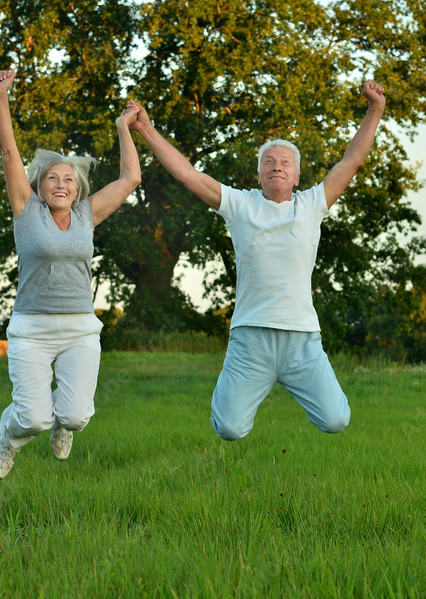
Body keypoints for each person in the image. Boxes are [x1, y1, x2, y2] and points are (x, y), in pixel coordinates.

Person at [127, 81, 386, 441]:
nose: (276, 166)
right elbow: (186, 174)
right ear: (259, 174)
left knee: (335, 420)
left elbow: (352, 160)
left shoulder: (311, 205)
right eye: (268, 162)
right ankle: (234, 389)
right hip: (251, 339)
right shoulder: (240, 204)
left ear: (296, 175)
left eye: (285, 163)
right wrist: (145, 128)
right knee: (230, 428)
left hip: (302, 342)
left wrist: (375, 108)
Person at [0, 68, 141, 479]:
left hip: (79, 328)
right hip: (31, 328)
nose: (61, 184)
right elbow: (8, 154)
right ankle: (8, 438)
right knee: (31, 419)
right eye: (52, 178)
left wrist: (123, 127)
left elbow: (131, 179)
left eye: (68, 180)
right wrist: (1, 97)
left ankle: (65, 425)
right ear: (39, 186)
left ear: (77, 190)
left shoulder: (86, 215)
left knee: (75, 416)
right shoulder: (26, 210)